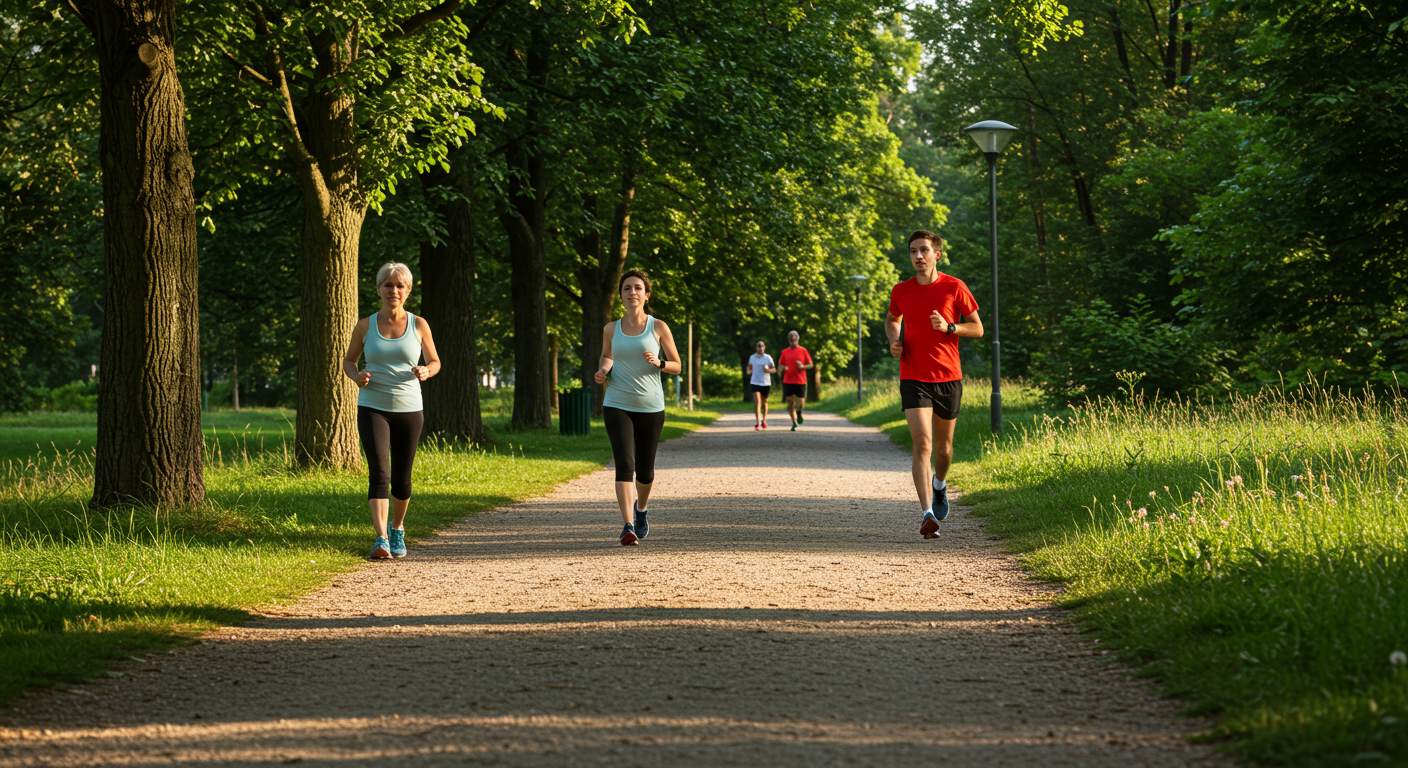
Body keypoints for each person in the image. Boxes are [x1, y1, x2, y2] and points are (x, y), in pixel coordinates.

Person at [885, 231, 983, 539]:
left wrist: (950, 326)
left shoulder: (954, 287)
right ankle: (927, 513)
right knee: (923, 444)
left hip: (948, 377)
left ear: (936, 254)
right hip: (913, 375)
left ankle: (939, 484)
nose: (918, 257)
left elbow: (978, 328)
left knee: (943, 448)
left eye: (924, 250)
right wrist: (894, 341)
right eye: (913, 251)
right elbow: (892, 319)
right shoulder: (901, 290)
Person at [342, 262, 441, 559]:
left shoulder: (419, 324)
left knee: (402, 476)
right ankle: (381, 538)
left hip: (410, 408)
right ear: (379, 289)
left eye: (399, 286)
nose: (393, 290)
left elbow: (435, 361)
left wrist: (427, 371)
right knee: (379, 472)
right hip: (373, 405)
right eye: (388, 285)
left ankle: (398, 529)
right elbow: (348, 360)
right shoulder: (365, 325)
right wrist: (355, 375)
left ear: (408, 291)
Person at [594, 269, 683, 546]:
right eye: (626, 288)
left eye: (637, 288)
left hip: (651, 406)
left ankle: (641, 510)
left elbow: (677, 366)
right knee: (624, 466)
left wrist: (660, 363)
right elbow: (607, 355)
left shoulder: (658, 327)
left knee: (645, 472)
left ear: (646, 295)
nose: (632, 292)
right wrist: (602, 370)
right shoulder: (611, 328)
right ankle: (627, 525)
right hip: (617, 403)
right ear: (621, 295)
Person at [776, 330, 814, 431]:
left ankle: (799, 413)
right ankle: (794, 422)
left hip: (800, 380)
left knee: (801, 402)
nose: (793, 339)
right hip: (788, 380)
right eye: (790, 337)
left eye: (795, 337)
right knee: (790, 401)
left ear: (798, 339)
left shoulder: (803, 351)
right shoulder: (784, 351)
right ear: (788, 339)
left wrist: (802, 366)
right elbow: (780, 364)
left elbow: (811, 364)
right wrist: (781, 369)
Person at [746, 340, 776, 430]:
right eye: (759, 346)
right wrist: (748, 371)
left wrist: (768, 370)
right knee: (757, 402)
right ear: (756, 348)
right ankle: (758, 422)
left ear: (764, 347)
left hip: (765, 382)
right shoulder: (752, 357)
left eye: (762, 346)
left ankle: (764, 420)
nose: (760, 348)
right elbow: (749, 367)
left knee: (764, 402)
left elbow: (774, 370)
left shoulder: (768, 358)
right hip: (755, 382)